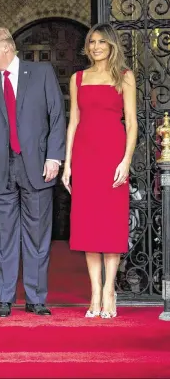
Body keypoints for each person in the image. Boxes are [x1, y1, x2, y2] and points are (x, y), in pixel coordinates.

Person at [0, 27, 66, 317]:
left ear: (6, 47)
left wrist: (54, 156)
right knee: (4, 236)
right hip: (1, 166)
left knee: (37, 236)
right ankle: (4, 298)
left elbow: (57, 115)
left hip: (38, 165)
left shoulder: (41, 73)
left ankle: (36, 299)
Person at [61, 23, 138, 319]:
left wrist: (126, 161)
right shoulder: (77, 78)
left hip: (113, 156)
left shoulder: (125, 77)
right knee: (88, 225)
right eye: (91, 42)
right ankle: (94, 291)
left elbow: (131, 123)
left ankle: (109, 291)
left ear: (112, 45)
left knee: (110, 223)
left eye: (101, 42)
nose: (95, 47)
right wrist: (68, 164)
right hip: (85, 156)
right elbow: (74, 122)